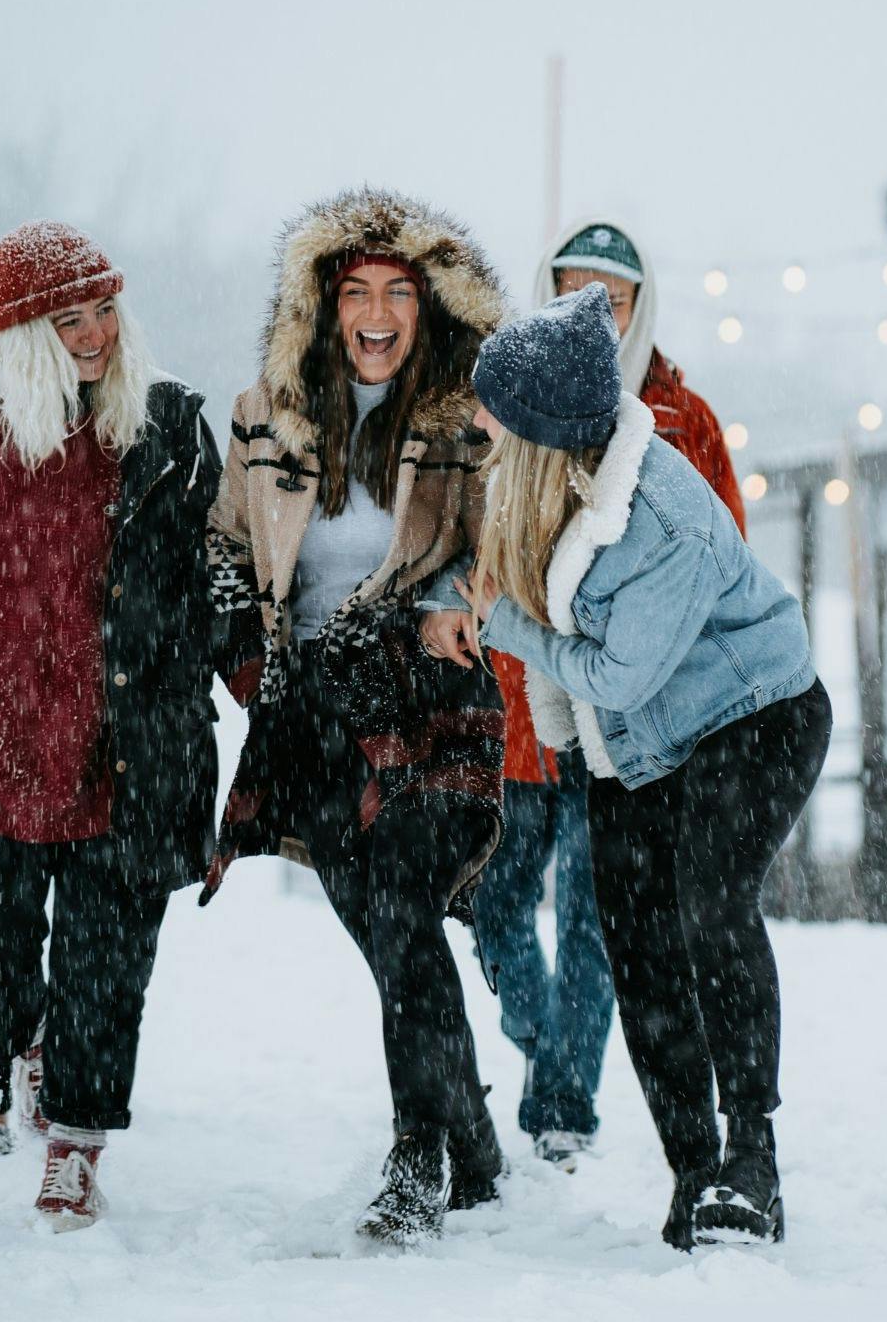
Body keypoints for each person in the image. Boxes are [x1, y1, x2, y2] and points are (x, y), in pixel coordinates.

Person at [465, 284, 829, 1250]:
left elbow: (620, 675)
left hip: (757, 714)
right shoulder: (537, 485)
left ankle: (751, 1159)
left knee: (709, 902)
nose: (478, 426)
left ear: (543, 424)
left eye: (494, 411)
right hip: (637, 745)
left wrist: (503, 625)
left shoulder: (657, 514)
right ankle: (693, 1172)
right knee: (637, 948)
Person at [0, 222, 221, 1231]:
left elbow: (206, 586)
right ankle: (25, 1041)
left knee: (106, 969)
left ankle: (74, 1144)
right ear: (24, 330)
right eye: (68, 317)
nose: (94, 332)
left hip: (123, 748)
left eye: (104, 309)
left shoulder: (164, 426)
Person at [205, 189, 511, 1245]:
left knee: (400, 913)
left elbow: (501, 547)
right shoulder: (263, 416)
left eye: (398, 294)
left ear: (428, 310)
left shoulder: (470, 421)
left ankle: (417, 1159)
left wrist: (441, 604)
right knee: (397, 941)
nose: (377, 314)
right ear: (322, 309)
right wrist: (250, 659)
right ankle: (470, 1136)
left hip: (431, 706)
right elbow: (228, 552)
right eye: (355, 293)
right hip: (317, 723)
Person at [479, 219, 747, 1169]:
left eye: (614, 294)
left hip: (628, 723)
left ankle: (560, 1104)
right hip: (521, 715)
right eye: (571, 289)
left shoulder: (685, 420)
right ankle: (545, 1037)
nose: (593, 311)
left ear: (643, 304)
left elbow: (723, 564)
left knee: (594, 919)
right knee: (492, 903)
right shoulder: (512, 399)